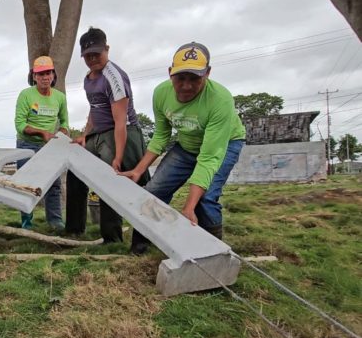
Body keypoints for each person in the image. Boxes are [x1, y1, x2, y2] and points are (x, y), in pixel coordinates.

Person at [119, 42, 246, 254]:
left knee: (205, 199)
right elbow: (161, 135)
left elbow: (208, 158)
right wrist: (138, 170)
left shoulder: (220, 100)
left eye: (194, 78)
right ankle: (141, 246)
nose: (186, 86)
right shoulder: (161, 94)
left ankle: (213, 253)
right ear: (170, 73)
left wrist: (188, 207)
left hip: (225, 144)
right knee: (153, 192)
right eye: (180, 78)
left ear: (207, 73)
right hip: (186, 145)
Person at [66, 27, 150, 243]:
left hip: (123, 134)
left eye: (97, 54)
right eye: (87, 56)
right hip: (99, 133)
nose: (93, 59)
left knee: (112, 179)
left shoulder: (114, 77)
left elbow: (120, 121)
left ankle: (113, 238)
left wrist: (118, 157)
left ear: (107, 49)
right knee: (75, 170)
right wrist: (85, 136)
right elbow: (94, 109)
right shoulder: (88, 78)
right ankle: (74, 230)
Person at [14, 56, 69, 230]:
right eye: (40, 74)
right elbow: (20, 124)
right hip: (27, 145)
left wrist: (60, 135)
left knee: (54, 183)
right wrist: (42, 132)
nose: (45, 77)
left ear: (53, 75)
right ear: (34, 76)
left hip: (50, 145)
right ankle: (26, 221)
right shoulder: (26, 95)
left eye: (48, 73)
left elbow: (65, 123)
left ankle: (55, 221)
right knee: (26, 183)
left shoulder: (59, 97)